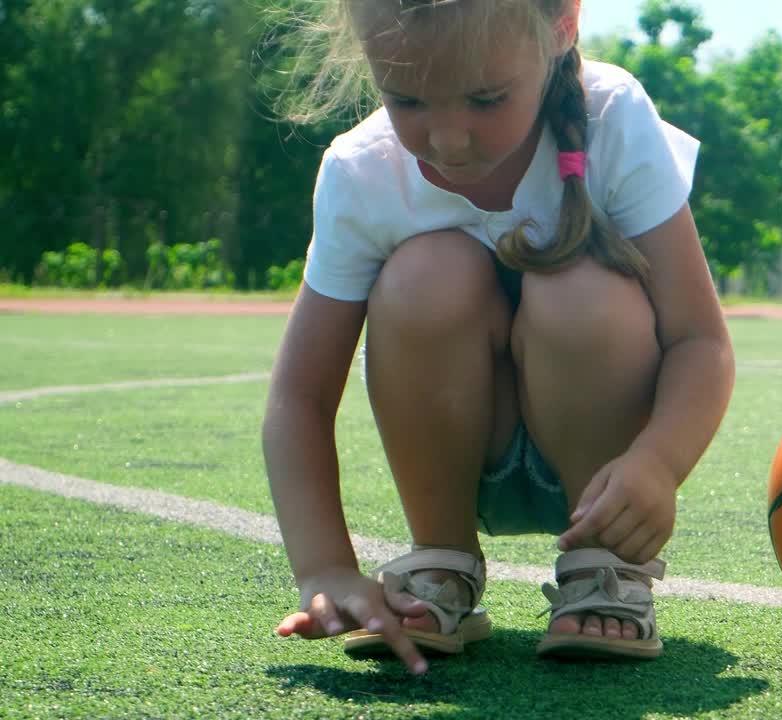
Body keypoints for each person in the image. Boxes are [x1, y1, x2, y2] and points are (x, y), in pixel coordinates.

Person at [263, 0, 735, 675]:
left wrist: (658, 463)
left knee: (579, 285)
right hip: (461, 461)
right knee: (426, 272)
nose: (448, 139)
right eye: (407, 99)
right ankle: (441, 564)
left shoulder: (613, 118)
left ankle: (602, 570)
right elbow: (298, 399)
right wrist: (326, 568)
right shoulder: (361, 172)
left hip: (605, 486)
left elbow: (701, 343)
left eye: (486, 99)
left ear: (562, 25)